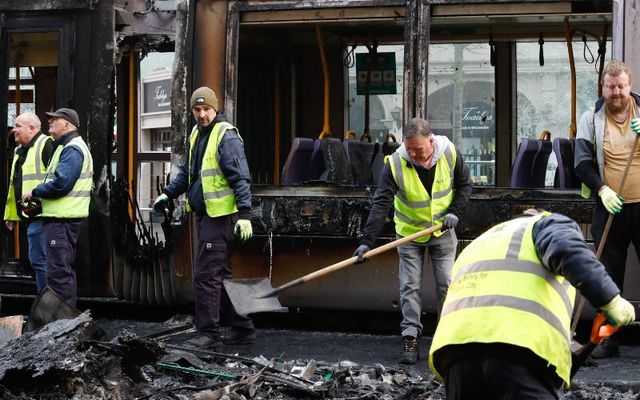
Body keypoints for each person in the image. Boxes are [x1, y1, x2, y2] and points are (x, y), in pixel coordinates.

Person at [428, 210, 636, 400]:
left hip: (454, 356)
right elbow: (567, 248)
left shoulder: (479, 243)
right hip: (517, 349)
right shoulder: (543, 224)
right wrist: (611, 300)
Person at [352, 117, 472, 364]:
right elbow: (381, 203)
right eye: (410, 150)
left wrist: (455, 213)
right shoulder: (395, 164)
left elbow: (465, 185)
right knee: (410, 286)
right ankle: (410, 338)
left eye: (419, 149)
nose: (414, 154)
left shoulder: (449, 152)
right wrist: (367, 241)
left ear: (431, 140)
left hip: (442, 232)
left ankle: (446, 339)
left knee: (447, 285)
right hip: (409, 234)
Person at [153, 86, 255, 348]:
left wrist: (245, 214)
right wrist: (168, 194)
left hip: (220, 216)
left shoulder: (226, 136)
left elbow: (240, 177)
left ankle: (208, 332)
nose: (202, 114)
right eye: (197, 110)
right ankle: (242, 327)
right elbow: (190, 173)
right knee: (220, 273)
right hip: (207, 215)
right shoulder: (198, 134)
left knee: (206, 275)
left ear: (215, 108)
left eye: (206, 109)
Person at [575, 59, 640, 358]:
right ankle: (608, 339)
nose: (616, 92)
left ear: (630, 86)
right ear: (603, 87)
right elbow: (582, 163)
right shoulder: (591, 119)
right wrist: (602, 190)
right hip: (610, 207)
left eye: (621, 86)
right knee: (609, 276)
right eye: (611, 87)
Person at [21, 108, 93, 308]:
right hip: (62, 219)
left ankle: (62, 325)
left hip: (62, 221)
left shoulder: (71, 148)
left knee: (59, 274)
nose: (50, 121)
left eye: (55, 119)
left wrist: (35, 191)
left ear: (68, 125)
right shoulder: (66, 147)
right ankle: (65, 323)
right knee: (62, 272)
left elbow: (62, 183)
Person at [3, 112, 54, 292]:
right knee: (38, 261)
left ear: (31, 128)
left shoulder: (46, 145)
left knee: (40, 261)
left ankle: (46, 306)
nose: (13, 130)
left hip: (43, 214)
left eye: (18, 125)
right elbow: (14, 185)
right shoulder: (20, 150)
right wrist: (12, 215)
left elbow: (56, 180)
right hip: (30, 214)